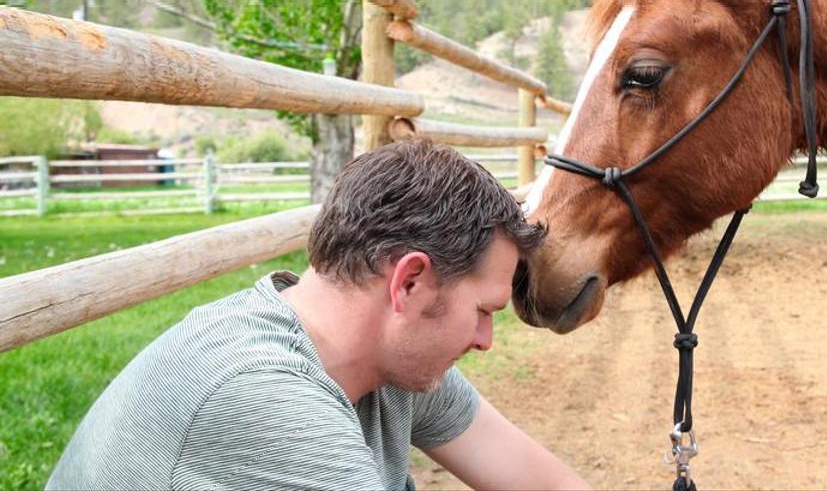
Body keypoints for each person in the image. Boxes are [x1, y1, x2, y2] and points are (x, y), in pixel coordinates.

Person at [48, 139, 588, 490]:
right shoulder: (265, 399)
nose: (485, 339)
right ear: (410, 283)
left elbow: (543, 484)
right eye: (483, 311)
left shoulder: (391, 362)